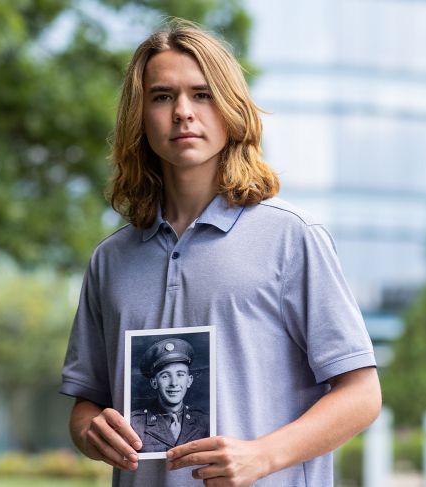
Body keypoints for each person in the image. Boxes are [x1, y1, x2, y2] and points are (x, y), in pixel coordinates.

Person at [60, 18, 382, 486]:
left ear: (231, 109)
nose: (183, 112)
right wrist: (90, 430)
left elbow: (361, 394)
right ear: (140, 115)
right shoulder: (110, 260)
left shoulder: (292, 238)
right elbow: (86, 401)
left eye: (202, 94)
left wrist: (263, 456)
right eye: (162, 96)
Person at [130, 338, 210, 452]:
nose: (174, 383)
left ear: (189, 381)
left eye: (180, 375)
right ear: (154, 382)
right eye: (165, 376)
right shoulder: (135, 423)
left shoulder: (204, 421)